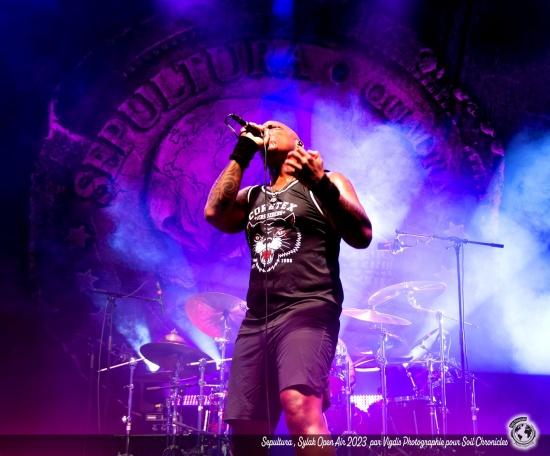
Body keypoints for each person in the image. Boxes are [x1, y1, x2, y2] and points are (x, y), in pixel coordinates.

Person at [204, 119, 372, 455]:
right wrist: (243, 151)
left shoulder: (328, 182)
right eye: (262, 127)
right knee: (246, 430)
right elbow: (214, 213)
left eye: (273, 126)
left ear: (298, 143)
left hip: (308, 309)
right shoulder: (253, 196)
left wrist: (320, 183)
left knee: (299, 407)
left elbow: (362, 235)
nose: (264, 129)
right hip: (257, 320)